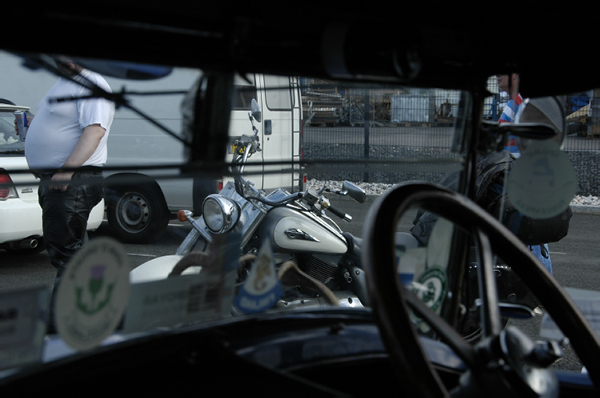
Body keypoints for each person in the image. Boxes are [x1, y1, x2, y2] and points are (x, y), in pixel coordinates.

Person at [25, 57, 115, 331]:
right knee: (77, 256)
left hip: (72, 181)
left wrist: (66, 171)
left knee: (68, 259)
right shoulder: (64, 84)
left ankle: (59, 332)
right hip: (61, 182)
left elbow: (95, 130)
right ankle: (88, 319)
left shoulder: (91, 81)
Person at [496, 73, 553, 276]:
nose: (497, 75)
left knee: (531, 238)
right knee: (530, 239)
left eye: (503, 71)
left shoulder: (523, 102)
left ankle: (541, 292)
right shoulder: (515, 101)